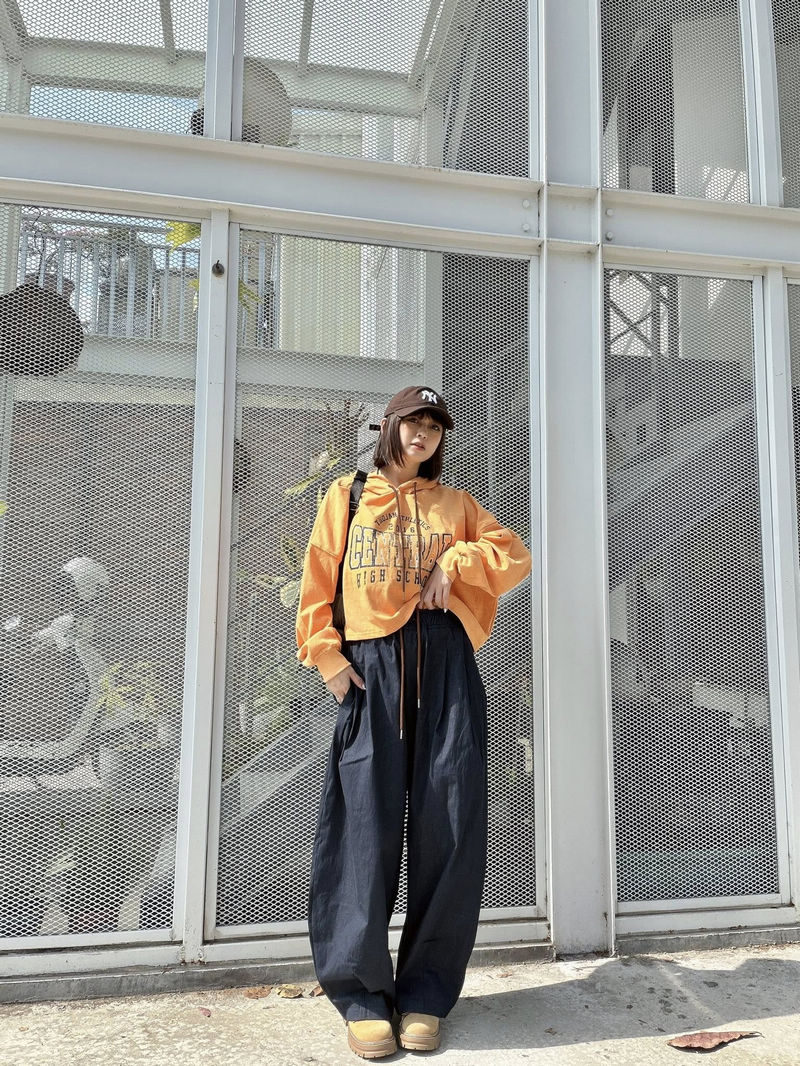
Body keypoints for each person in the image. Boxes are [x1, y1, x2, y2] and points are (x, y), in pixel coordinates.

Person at [296, 385, 531, 1059]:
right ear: (389, 427)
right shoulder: (347, 497)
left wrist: (455, 559)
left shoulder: (456, 506)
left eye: (434, 425)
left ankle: (426, 993)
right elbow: (318, 583)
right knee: (362, 827)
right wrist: (330, 661)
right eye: (412, 423)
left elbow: (514, 557)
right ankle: (362, 996)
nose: (423, 435)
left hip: (446, 664)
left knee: (448, 823)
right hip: (371, 670)